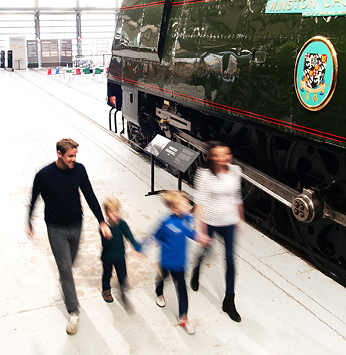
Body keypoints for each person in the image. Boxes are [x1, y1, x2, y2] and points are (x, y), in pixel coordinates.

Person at [28, 138, 112, 335]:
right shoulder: (44, 175)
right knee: (65, 269)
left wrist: (101, 221)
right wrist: (29, 220)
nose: (73, 160)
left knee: (70, 264)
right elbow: (34, 198)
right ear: (59, 154)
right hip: (55, 228)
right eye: (70, 156)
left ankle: (66, 287)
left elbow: (90, 195)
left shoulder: (79, 170)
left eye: (75, 156)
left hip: (76, 225)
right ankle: (74, 312)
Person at [190, 141, 244, 322]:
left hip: (229, 222)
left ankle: (229, 300)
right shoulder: (204, 174)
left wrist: (240, 218)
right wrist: (201, 231)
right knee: (205, 252)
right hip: (210, 222)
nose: (224, 158)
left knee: (230, 261)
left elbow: (236, 197)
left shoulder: (235, 171)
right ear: (212, 157)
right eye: (219, 155)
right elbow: (199, 202)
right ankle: (196, 269)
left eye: (226, 154)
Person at [153, 190, 210, 335]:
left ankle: (183, 318)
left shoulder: (186, 218)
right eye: (184, 205)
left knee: (182, 291)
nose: (187, 207)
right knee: (162, 278)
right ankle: (159, 293)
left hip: (180, 264)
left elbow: (190, 232)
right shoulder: (166, 222)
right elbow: (156, 236)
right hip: (166, 261)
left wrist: (200, 238)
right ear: (173, 209)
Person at [100, 197, 140, 308]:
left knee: (123, 275)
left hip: (120, 256)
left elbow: (129, 235)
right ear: (107, 214)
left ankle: (123, 292)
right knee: (107, 274)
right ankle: (106, 290)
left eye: (117, 211)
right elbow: (105, 244)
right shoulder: (104, 227)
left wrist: (136, 246)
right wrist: (106, 234)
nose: (115, 214)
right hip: (108, 257)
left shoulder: (122, 224)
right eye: (112, 212)